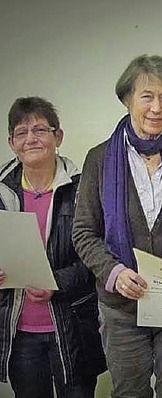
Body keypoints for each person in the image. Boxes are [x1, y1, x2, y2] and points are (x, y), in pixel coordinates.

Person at [72, 54, 162, 398]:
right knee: (128, 393)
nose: (157, 107)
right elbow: (82, 232)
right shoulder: (100, 159)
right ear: (127, 100)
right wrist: (113, 272)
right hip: (121, 310)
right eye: (147, 96)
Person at [0, 97, 106, 397]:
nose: (31, 139)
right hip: (19, 334)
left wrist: (56, 283)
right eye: (21, 132)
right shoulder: (1, 192)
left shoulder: (84, 188)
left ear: (58, 137)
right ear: (11, 142)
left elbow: (99, 257)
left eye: (40, 130)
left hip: (74, 329)